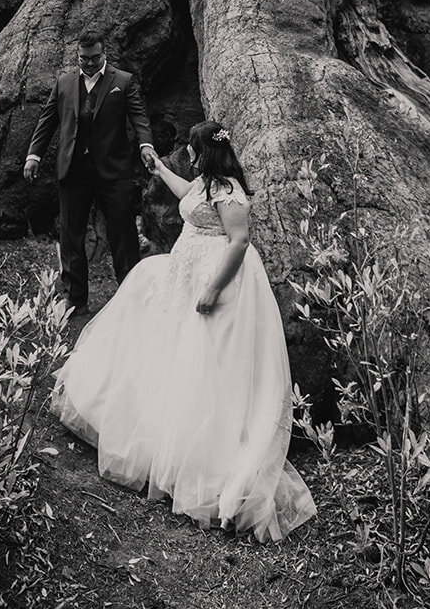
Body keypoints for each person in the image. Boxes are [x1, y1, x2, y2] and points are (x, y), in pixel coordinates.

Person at [51, 120, 316, 543]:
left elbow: (240, 241)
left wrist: (212, 288)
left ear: (205, 152)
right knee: (150, 304)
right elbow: (187, 195)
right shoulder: (206, 184)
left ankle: (200, 460)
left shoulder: (228, 191)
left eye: (192, 150)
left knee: (203, 362)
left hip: (215, 282)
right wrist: (158, 168)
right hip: (183, 272)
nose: (188, 156)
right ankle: (150, 430)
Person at [24, 31, 156, 313]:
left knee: (122, 234)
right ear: (78, 56)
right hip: (73, 170)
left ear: (104, 53)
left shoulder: (123, 81)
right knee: (71, 236)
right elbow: (47, 121)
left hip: (113, 171)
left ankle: (131, 295)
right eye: (84, 59)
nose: (90, 63)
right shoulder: (64, 82)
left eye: (95, 58)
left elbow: (139, 118)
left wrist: (146, 145)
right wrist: (33, 155)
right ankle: (75, 299)